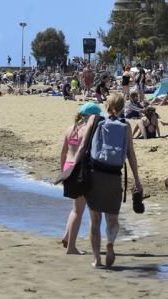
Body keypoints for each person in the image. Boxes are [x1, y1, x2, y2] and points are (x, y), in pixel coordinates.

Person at [77, 93, 142, 268]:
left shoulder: (95, 121)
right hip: (115, 176)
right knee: (112, 219)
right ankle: (111, 242)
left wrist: (73, 168)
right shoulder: (126, 125)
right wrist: (137, 180)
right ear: (122, 107)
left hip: (96, 174)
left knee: (95, 220)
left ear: (106, 106)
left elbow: (83, 146)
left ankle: (97, 259)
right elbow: (131, 155)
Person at [60, 102, 102, 254]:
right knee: (78, 210)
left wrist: (62, 170)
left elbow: (63, 152)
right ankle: (71, 247)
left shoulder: (70, 129)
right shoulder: (88, 130)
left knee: (75, 207)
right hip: (79, 169)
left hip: (68, 167)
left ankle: (67, 236)